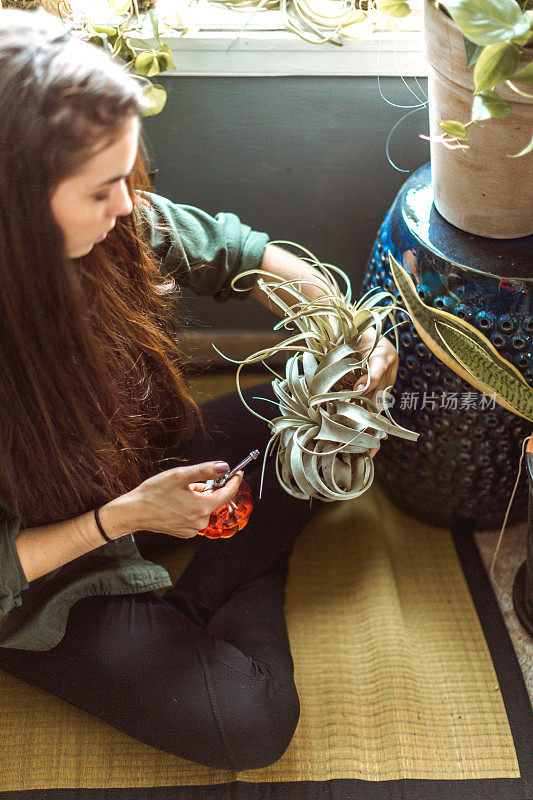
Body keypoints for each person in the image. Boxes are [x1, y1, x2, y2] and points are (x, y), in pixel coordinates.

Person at [0, 9, 399, 771]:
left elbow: (236, 253)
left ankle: (188, 590)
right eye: (101, 190)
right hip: (40, 572)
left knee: (316, 424)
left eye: (129, 176)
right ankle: (196, 594)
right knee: (251, 724)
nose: (125, 207)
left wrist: (343, 330)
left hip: (130, 465)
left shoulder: (112, 226)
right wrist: (123, 518)